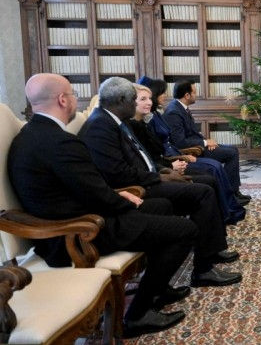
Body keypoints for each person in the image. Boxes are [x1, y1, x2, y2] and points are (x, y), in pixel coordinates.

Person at [8, 73, 196, 337]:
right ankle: (138, 315)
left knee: (161, 206)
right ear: (63, 100)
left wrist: (122, 196)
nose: (75, 100)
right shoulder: (58, 142)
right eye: (73, 94)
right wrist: (126, 202)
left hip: (76, 219)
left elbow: (85, 188)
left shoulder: (36, 134)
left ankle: (159, 289)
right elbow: (95, 194)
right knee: (183, 231)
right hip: (76, 235)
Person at [79, 77, 242, 287]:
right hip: (137, 188)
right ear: (121, 100)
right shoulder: (100, 126)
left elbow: (143, 157)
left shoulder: (114, 121)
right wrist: (161, 175)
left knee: (206, 185)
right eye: (134, 99)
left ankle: (210, 253)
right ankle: (203, 268)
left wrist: (164, 169)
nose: (140, 104)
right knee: (203, 191)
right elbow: (118, 174)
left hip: (148, 178)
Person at [131, 80, 246, 225]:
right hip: (176, 157)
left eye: (149, 98)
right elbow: (175, 143)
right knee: (215, 166)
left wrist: (204, 141)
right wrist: (195, 148)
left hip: (180, 153)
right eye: (162, 93)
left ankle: (231, 198)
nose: (165, 95)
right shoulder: (170, 112)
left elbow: (187, 135)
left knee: (228, 154)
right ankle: (229, 204)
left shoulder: (158, 114)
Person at [163, 80, 251, 205]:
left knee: (233, 150)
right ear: (187, 95)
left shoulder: (180, 108)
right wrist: (204, 143)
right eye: (194, 92)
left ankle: (233, 192)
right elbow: (180, 142)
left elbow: (191, 133)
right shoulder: (174, 112)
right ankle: (231, 194)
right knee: (231, 153)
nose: (196, 95)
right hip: (193, 150)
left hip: (198, 145)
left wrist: (207, 142)